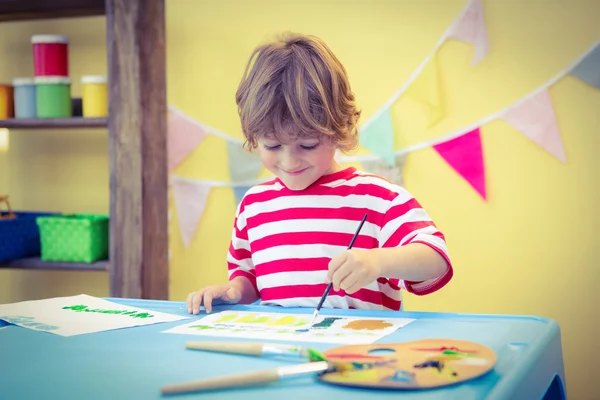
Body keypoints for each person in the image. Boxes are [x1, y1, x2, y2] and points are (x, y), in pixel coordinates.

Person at [186, 32, 453, 315]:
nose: (289, 161)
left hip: (358, 353)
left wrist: (378, 262)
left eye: (308, 144)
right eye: (272, 145)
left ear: (339, 129)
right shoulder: (254, 205)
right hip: (281, 348)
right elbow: (249, 277)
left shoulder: (377, 197)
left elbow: (436, 258)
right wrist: (233, 292)